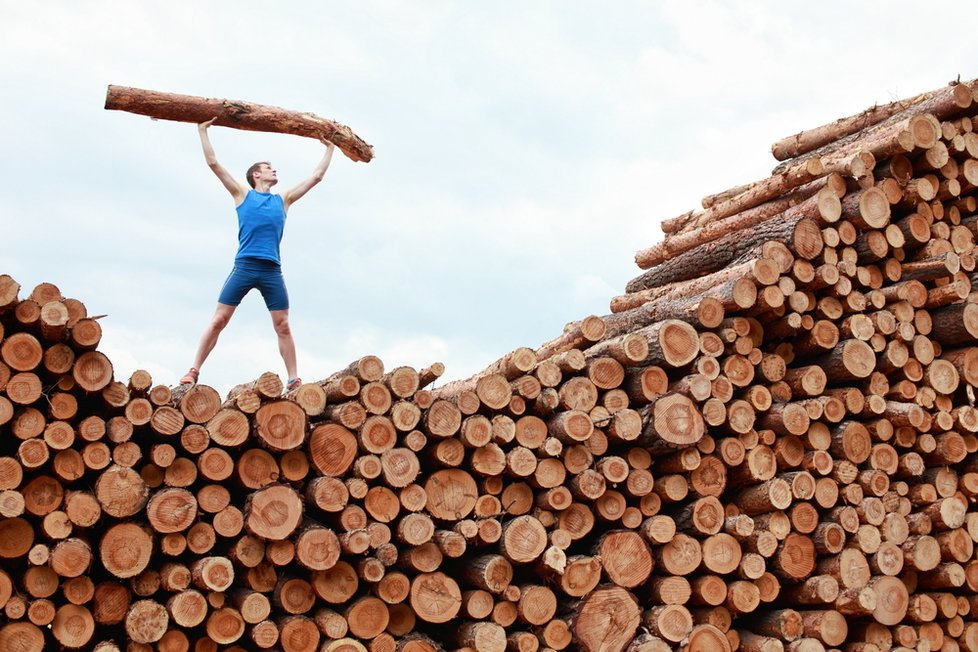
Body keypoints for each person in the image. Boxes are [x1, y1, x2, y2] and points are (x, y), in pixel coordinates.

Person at [179, 117, 335, 391]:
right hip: (245, 267)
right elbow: (214, 163)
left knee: (283, 325)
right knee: (218, 319)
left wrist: (330, 148)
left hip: (271, 270)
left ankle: (293, 379)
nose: (274, 171)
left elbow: (316, 177)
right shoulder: (241, 194)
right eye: (268, 168)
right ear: (256, 175)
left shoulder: (283, 199)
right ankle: (193, 370)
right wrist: (202, 130)